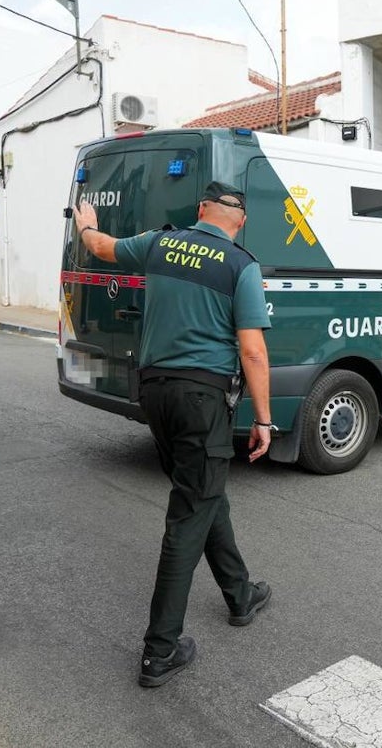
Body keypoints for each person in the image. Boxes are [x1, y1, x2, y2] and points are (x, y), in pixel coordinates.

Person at [73, 181, 273, 689]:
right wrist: (266, 420)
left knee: (203, 493)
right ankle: (159, 651)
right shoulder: (240, 265)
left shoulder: (160, 243)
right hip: (202, 399)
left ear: (201, 210)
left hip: (155, 393)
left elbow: (100, 248)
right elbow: (252, 351)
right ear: (241, 221)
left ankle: (240, 594)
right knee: (190, 512)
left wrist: (86, 222)